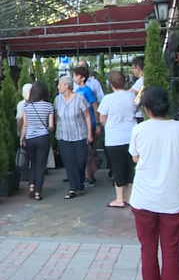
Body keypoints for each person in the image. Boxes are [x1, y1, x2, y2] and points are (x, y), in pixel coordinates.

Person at [130, 86, 179, 280]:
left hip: (144, 199)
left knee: (148, 250)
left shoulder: (139, 130)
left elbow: (135, 157)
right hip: (173, 198)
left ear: (146, 109)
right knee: (171, 252)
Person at [98, 71, 138, 208]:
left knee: (117, 167)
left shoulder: (108, 99)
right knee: (130, 167)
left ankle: (119, 198)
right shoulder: (132, 96)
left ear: (111, 84)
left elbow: (102, 118)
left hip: (114, 138)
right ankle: (129, 196)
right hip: (131, 135)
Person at [54, 75, 93, 199]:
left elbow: (87, 115)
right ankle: (73, 188)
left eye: (60, 84)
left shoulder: (79, 98)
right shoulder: (57, 100)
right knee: (69, 162)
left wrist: (90, 132)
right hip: (63, 135)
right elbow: (56, 116)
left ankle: (80, 185)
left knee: (81, 160)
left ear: (67, 85)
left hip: (79, 134)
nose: (58, 87)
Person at [19, 81, 54, 201]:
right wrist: (45, 129)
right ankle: (38, 192)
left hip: (30, 138)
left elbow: (25, 124)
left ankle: (31, 185)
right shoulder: (48, 106)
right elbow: (51, 126)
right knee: (41, 165)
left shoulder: (26, 106)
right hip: (43, 138)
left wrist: (22, 138)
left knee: (32, 163)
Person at [73, 66, 100, 186]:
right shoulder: (77, 91)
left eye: (76, 75)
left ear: (82, 78)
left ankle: (90, 176)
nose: (74, 78)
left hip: (89, 123)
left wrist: (97, 123)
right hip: (80, 124)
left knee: (89, 151)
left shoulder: (87, 91)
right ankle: (86, 175)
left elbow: (94, 106)